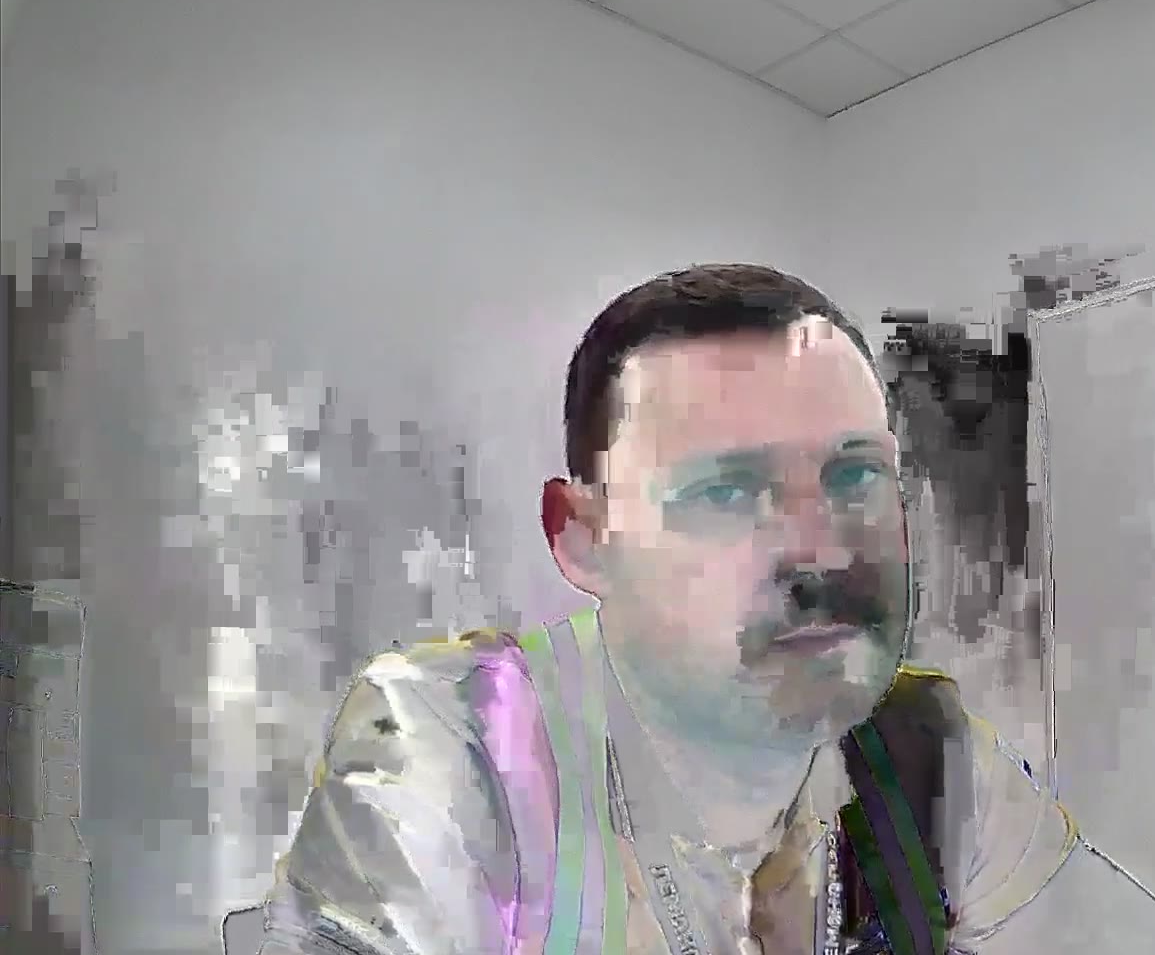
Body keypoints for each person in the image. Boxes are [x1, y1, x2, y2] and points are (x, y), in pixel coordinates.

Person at [256, 264, 1079, 954]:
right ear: (583, 538)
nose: (820, 552)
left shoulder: (932, 755)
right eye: (725, 492)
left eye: (855, 476)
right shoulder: (460, 749)